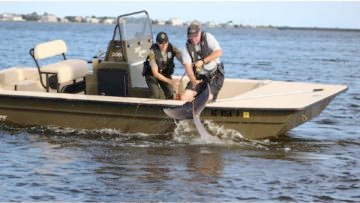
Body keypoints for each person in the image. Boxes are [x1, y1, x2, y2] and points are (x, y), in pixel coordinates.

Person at [181, 23, 224, 102]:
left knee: (206, 98)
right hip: (199, 77)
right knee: (184, 98)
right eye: (191, 38)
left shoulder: (208, 37)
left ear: (199, 32)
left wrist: (203, 61)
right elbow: (188, 69)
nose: (193, 40)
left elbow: (219, 52)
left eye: (195, 37)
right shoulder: (186, 48)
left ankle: (209, 96)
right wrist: (194, 81)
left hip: (215, 76)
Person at [143, 32, 182, 99]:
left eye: (165, 43)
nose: (164, 46)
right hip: (152, 75)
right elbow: (155, 74)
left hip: (165, 73)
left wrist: (188, 65)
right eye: (161, 44)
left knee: (170, 93)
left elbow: (181, 58)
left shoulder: (172, 48)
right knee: (156, 95)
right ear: (157, 43)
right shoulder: (152, 52)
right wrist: (171, 81)